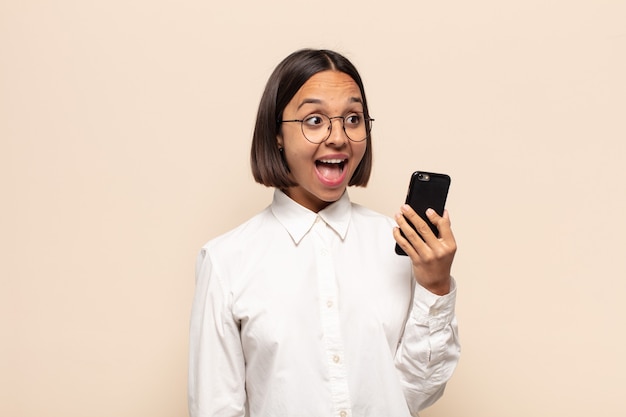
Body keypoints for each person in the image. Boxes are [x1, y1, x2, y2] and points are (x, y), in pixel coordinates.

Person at [189, 48, 460, 417]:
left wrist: (435, 287)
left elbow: (413, 394)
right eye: (314, 120)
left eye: (353, 118)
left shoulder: (399, 246)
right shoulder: (226, 261)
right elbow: (216, 407)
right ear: (277, 135)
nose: (338, 137)